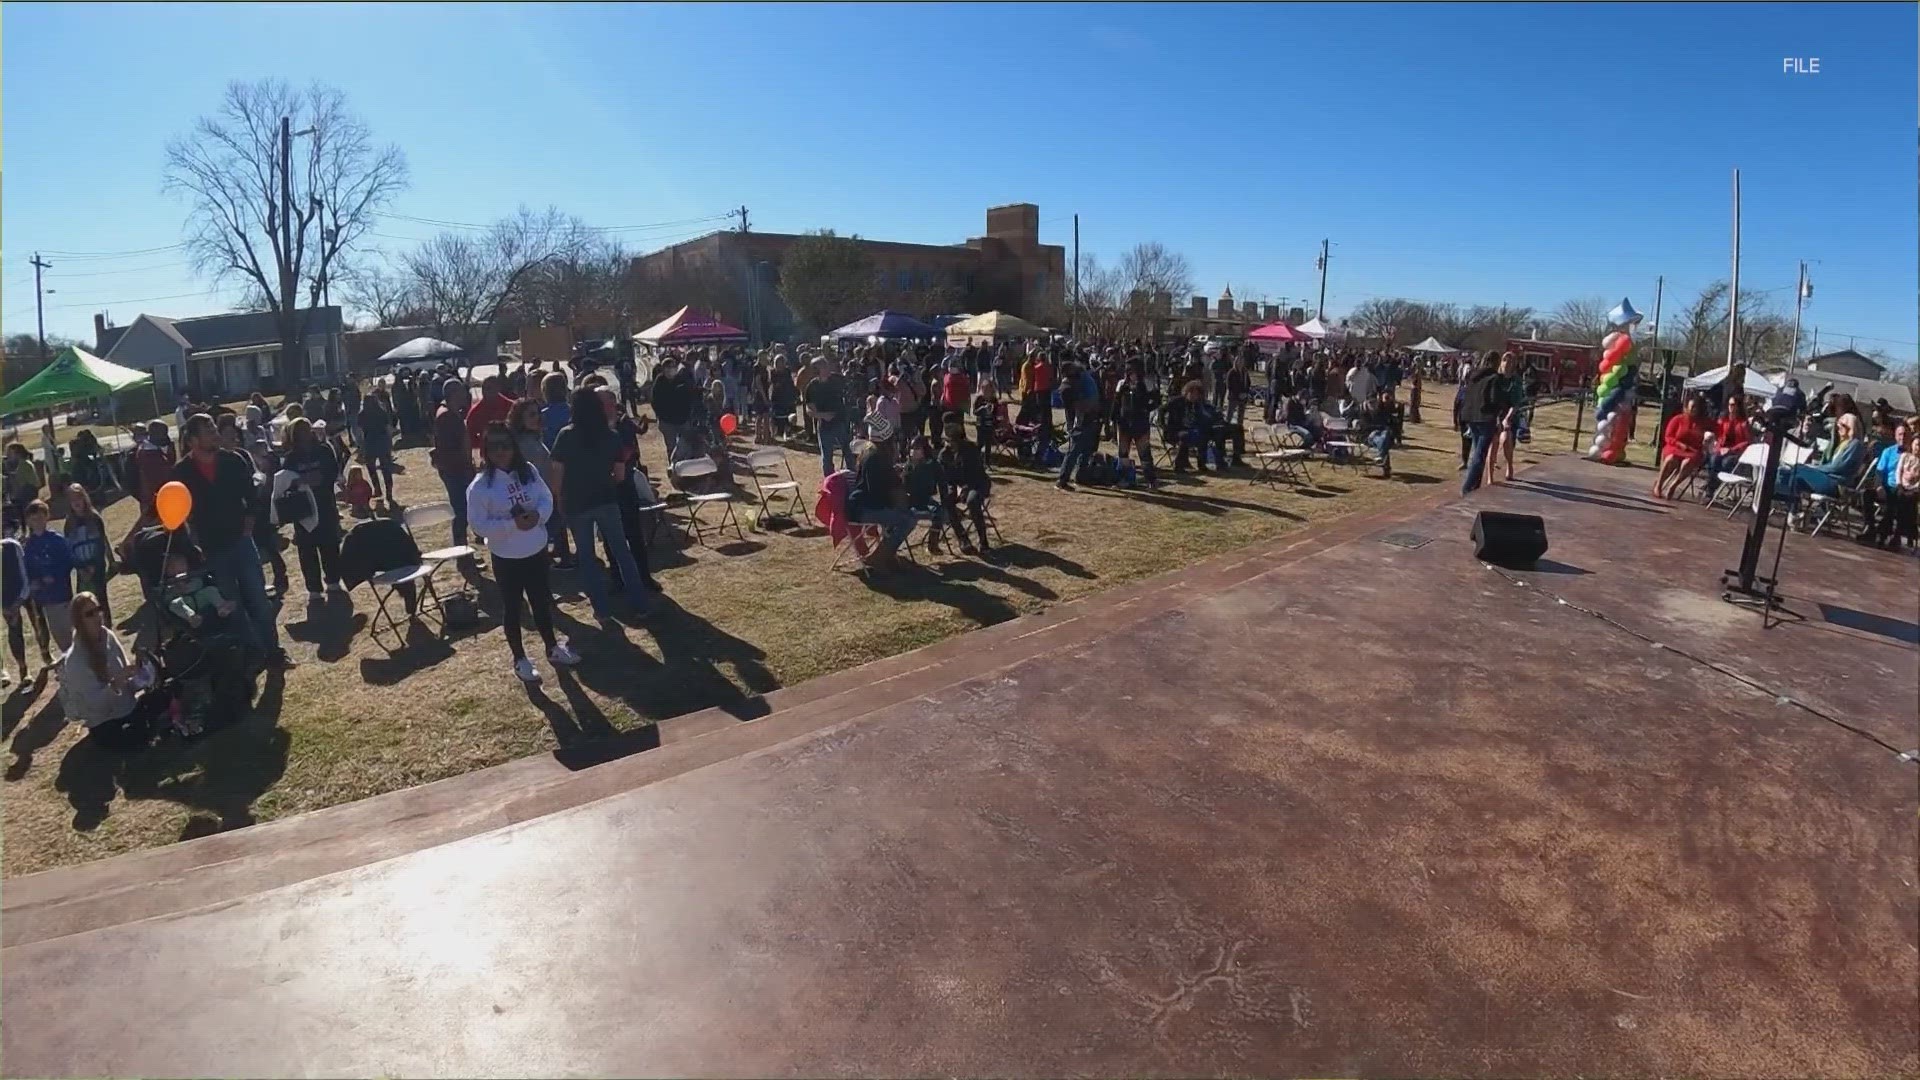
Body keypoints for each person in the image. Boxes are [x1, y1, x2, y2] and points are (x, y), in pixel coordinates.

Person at [174, 412, 292, 668]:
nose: (216, 433)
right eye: (209, 430)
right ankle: (253, 653)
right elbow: (175, 512)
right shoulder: (182, 472)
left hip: (241, 542)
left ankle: (274, 652)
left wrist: (250, 519)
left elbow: (252, 494)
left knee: (258, 599)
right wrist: (191, 543)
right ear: (193, 440)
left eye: (214, 428)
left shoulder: (233, 460)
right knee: (232, 604)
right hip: (212, 549)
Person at [468, 421, 580, 683]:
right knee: (513, 607)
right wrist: (511, 524)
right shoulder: (480, 486)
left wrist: (538, 516)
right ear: (485, 450)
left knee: (542, 601)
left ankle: (552, 647)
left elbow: (546, 498)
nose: (500, 452)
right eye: (493, 447)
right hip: (507, 557)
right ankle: (519, 659)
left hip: (536, 550)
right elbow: (479, 525)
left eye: (505, 445)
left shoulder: (527, 471)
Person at [550, 386, 649, 621]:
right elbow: (621, 475)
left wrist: (560, 498)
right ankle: (640, 603)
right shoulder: (611, 436)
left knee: (587, 558)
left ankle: (602, 610)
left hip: (576, 503)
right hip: (606, 500)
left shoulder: (565, 435)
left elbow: (557, 474)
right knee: (622, 552)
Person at [596, 386, 663, 597]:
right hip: (604, 490)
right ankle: (617, 579)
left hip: (625, 487)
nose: (603, 406)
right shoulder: (592, 427)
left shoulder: (623, 423)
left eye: (605, 401)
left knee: (634, 535)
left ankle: (644, 577)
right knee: (609, 538)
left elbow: (630, 450)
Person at [278, 417, 349, 602]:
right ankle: (314, 588)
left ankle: (333, 580)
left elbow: (333, 471)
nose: (304, 434)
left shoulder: (324, 450)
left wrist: (320, 478)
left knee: (330, 544)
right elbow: (286, 480)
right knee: (307, 549)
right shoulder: (291, 457)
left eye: (306, 429)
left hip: (324, 504)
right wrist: (300, 481)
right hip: (303, 509)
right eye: (299, 431)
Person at [509, 397, 574, 569]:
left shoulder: (533, 437)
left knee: (553, 527)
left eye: (537, 413)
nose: (537, 417)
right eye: (531, 415)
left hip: (547, 493)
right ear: (520, 418)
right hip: (534, 497)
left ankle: (554, 558)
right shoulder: (518, 443)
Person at [845, 416, 914, 567]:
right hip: (864, 509)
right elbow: (877, 492)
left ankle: (887, 554)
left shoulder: (871, 453)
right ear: (887, 440)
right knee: (907, 519)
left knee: (901, 514)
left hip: (863, 505)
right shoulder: (876, 458)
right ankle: (879, 556)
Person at [1776, 412, 1867, 508]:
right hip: (1827, 478)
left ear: (1851, 427)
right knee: (1789, 475)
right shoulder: (1841, 444)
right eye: (1838, 425)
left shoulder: (1855, 445)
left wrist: (1815, 468)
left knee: (1798, 467)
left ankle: (1793, 509)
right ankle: (1793, 511)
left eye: (1842, 425)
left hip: (1837, 484)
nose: (1838, 428)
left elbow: (1837, 467)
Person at [21, 500, 74, 660]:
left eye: (40, 517)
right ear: (28, 522)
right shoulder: (29, 546)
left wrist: (56, 575)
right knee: (58, 633)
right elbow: (28, 569)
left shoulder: (56, 539)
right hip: (46, 600)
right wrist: (34, 582)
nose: (37, 522)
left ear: (47, 517)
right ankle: (69, 664)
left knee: (71, 631)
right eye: (33, 519)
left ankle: (82, 663)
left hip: (62, 595)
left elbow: (68, 561)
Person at [937, 419, 995, 560]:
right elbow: (945, 478)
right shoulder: (944, 455)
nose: (949, 445)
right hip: (957, 485)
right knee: (947, 500)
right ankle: (963, 538)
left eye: (952, 442)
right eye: (947, 441)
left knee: (972, 501)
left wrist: (965, 488)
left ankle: (983, 541)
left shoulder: (971, 451)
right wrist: (954, 489)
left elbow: (976, 475)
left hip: (977, 483)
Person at [431, 379, 477, 553]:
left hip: (456, 468)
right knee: (460, 511)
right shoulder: (447, 416)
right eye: (461, 393)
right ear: (453, 395)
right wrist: (466, 467)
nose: (465, 396)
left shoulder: (450, 413)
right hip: (455, 470)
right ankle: (462, 552)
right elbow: (451, 448)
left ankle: (463, 549)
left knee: (463, 509)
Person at [63, 484, 115, 628]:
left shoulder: (94, 518)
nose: (76, 502)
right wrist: (80, 568)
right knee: (84, 602)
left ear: (84, 498)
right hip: (81, 569)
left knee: (101, 599)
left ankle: (106, 628)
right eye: (72, 499)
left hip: (96, 567)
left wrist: (95, 565)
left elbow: (100, 544)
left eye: (79, 497)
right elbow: (70, 549)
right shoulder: (69, 524)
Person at [1859, 420, 1915, 548]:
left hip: (1904, 489)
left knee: (1898, 499)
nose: (1902, 437)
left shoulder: (1913, 454)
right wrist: (1879, 486)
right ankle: (1870, 527)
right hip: (1887, 486)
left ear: (1910, 436)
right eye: (1900, 434)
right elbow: (1879, 472)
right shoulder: (1888, 452)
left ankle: (1889, 534)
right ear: (1895, 436)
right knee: (1867, 494)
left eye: (1905, 435)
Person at [1458, 352, 1504, 495]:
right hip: (1485, 418)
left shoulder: (1474, 376)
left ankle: (1474, 486)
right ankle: (1468, 487)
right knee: (1480, 454)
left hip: (1471, 417)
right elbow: (1493, 399)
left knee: (1477, 451)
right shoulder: (1494, 378)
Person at [1651, 395, 1712, 500]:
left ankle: (1673, 486)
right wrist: (1680, 444)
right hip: (1675, 447)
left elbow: (1716, 430)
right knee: (1671, 459)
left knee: (1687, 462)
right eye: (1691, 407)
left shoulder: (1704, 422)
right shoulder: (1678, 419)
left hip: (1693, 450)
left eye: (1695, 407)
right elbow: (1668, 436)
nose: (1693, 410)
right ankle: (1659, 485)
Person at [1055, 360, 1102, 491]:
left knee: (1086, 450)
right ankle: (1062, 479)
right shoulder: (1071, 384)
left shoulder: (1080, 379)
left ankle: (1081, 476)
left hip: (1089, 416)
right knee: (1075, 450)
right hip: (1082, 419)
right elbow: (1075, 403)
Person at [806, 355, 856, 477]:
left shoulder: (837, 379)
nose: (827, 368)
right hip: (825, 424)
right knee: (827, 457)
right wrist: (822, 415)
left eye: (826, 365)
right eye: (823, 366)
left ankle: (853, 478)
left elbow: (850, 390)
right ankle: (829, 481)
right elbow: (809, 409)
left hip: (841, 421)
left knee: (848, 452)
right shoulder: (812, 387)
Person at [1112, 365, 1160, 488]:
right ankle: (1123, 479)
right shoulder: (1122, 384)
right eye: (1130, 372)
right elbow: (1116, 402)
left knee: (1144, 453)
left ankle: (1151, 480)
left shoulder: (1146, 384)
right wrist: (1114, 418)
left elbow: (1157, 400)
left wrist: (1146, 409)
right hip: (1124, 424)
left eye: (1135, 372)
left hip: (1140, 423)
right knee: (1122, 454)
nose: (1133, 375)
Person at [1699, 395, 1754, 500]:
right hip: (1722, 449)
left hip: (1735, 452)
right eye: (1729, 404)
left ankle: (1711, 488)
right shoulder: (1723, 419)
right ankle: (1710, 488)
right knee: (1714, 458)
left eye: (1733, 405)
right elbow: (1719, 436)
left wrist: (1731, 450)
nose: (1730, 407)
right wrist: (1719, 448)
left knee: (1726, 462)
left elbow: (1747, 441)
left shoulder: (1743, 423)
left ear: (1738, 406)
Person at [358, 388, 397, 506]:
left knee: (371, 467)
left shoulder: (362, 414)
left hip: (370, 442)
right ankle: (389, 493)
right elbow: (387, 427)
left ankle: (377, 488)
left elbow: (360, 431)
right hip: (382, 441)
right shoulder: (381, 411)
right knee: (386, 469)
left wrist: (361, 447)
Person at [2, 533, 27, 689]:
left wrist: (19, 600)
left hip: (20, 593)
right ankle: (11, 670)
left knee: (34, 623)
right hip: (4, 600)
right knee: (12, 631)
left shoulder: (12, 546)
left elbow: (24, 574)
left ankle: (25, 668)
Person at [466, 375, 517, 450]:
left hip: (511, 449)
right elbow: (469, 437)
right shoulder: (476, 411)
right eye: (483, 389)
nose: (485, 392)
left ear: (498, 388)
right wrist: (485, 444)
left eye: (489, 388)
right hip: (488, 453)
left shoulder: (511, 406)